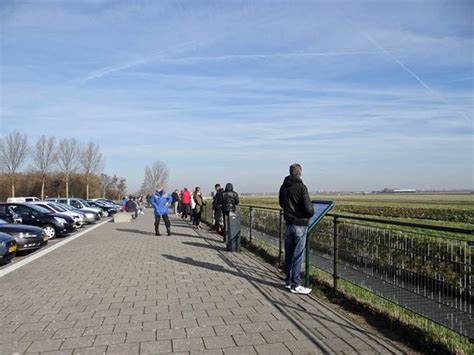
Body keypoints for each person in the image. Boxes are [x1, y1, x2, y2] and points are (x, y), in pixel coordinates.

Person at [279, 163, 314, 295]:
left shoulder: (283, 187)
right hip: (300, 224)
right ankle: (296, 284)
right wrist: (309, 213)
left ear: (290, 172)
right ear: (300, 173)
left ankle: (288, 281)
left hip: (288, 224)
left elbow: (281, 203)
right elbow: (309, 208)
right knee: (298, 255)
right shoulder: (301, 187)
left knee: (288, 253)